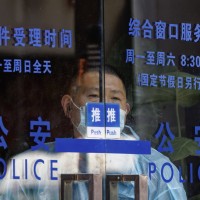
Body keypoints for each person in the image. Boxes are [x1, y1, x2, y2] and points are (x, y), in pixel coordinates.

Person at [0, 64, 187, 199]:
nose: (105, 106)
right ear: (68, 106)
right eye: (94, 96)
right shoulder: (31, 167)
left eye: (115, 98)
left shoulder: (156, 168)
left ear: (126, 110)